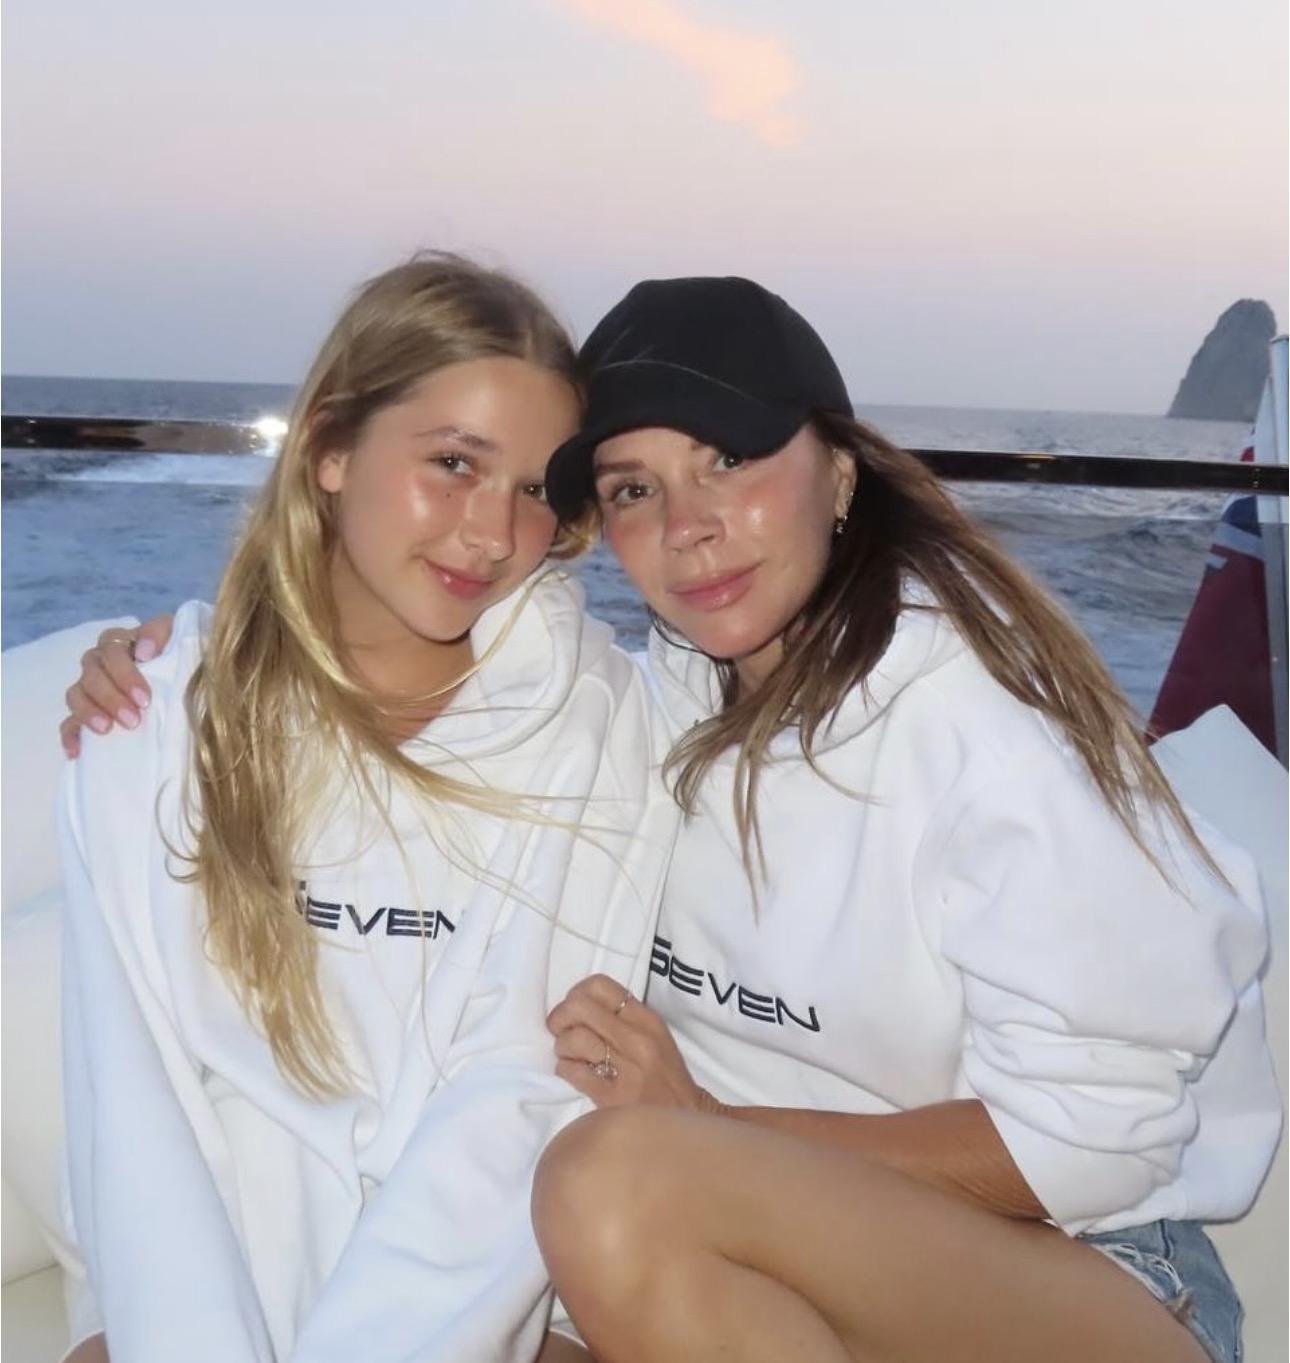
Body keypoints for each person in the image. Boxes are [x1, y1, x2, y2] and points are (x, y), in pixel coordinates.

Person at [63, 276, 1280, 1363]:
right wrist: (178, 663)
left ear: (840, 470)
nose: (686, 525)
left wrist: (706, 1124)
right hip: (754, 1257)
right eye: (634, 489)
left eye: (730, 459)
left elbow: (1090, 1148)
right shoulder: (663, 704)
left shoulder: (985, 727)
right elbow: (421, 734)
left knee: (608, 1182)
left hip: (1083, 1277)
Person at [52, 253, 674, 1363]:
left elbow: (517, 1093)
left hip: (466, 1312)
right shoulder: (156, 723)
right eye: (453, 463)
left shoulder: (595, 725)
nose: (492, 533)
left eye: (537, 489)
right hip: (198, 1299)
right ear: (330, 448)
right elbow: (135, 1101)